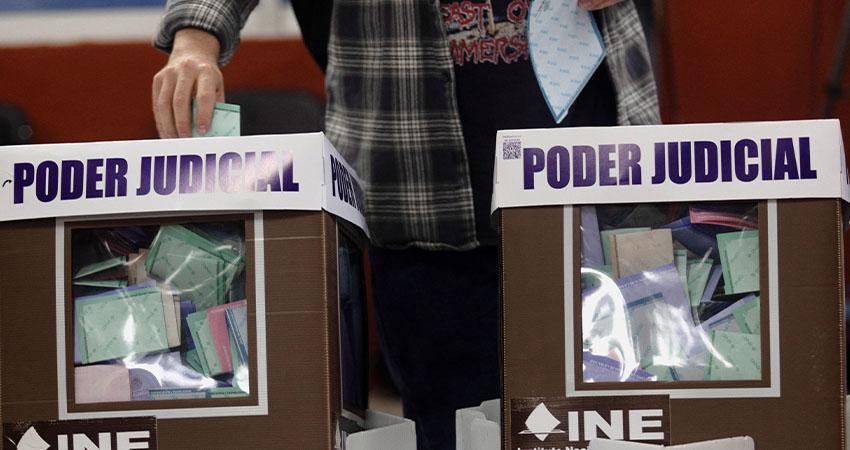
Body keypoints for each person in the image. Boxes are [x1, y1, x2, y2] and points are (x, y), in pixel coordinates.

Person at [152, 1, 659, 448]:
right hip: (421, 204)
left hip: (598, 185)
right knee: (448, 430)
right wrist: (195, 38)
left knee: (623, 426)